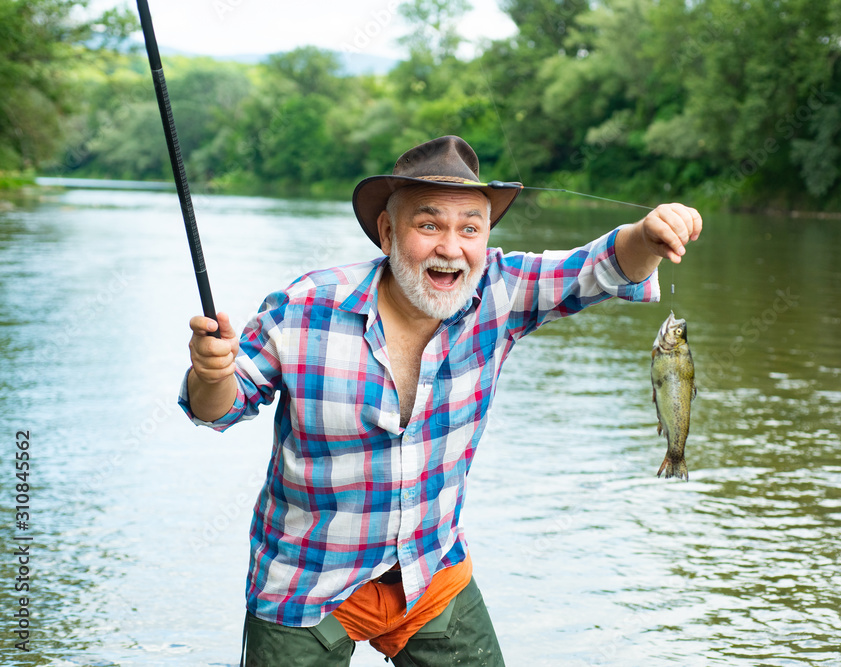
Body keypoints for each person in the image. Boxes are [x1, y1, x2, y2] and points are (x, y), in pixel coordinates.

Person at [180, 135, 702, 666]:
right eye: (428, 225)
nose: (451, 248)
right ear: (387, 231)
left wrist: (647, 233)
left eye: (470, 228)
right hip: (305, 579)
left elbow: (599, 267)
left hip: (429, 571)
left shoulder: (498, 291)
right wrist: (211, 371)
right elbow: (216, 407)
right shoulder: (303, 307)